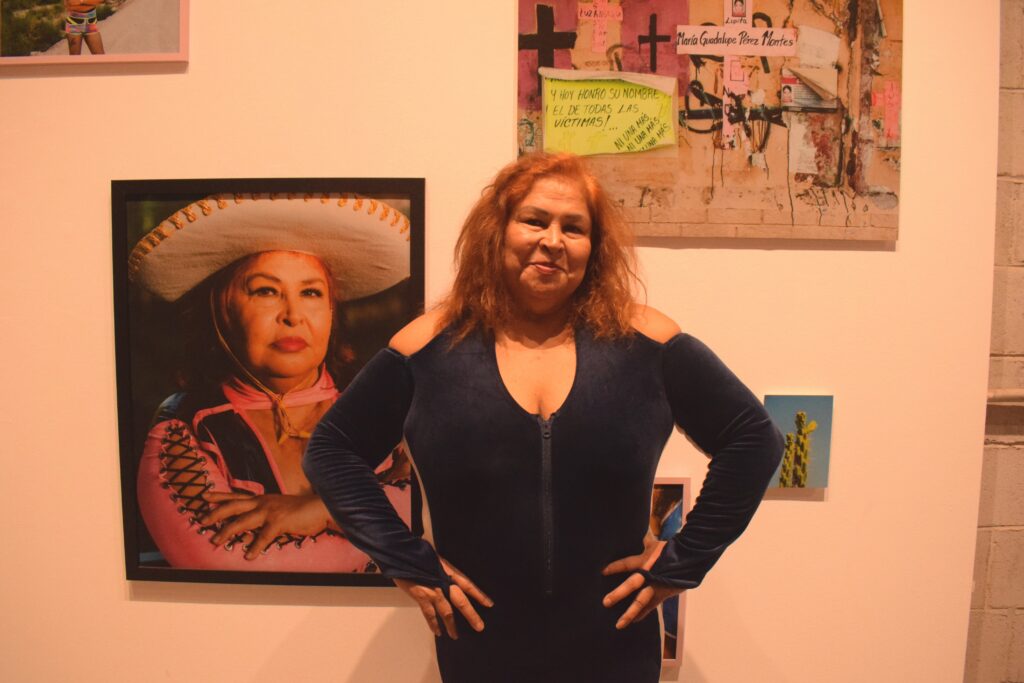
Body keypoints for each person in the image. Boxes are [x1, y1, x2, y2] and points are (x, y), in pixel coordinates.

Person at [304, 153, 784, 681]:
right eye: (534, 220)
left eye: (573, 228)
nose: (553, 240)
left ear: (593, 247)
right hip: (480, 652)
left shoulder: (648, 344)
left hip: (616, 650)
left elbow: (753, 439)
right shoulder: (427, 348)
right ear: (497, 231)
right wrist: (405, 560)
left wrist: (685, 560)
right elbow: (332, 450)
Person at [129, 192, 415, 572]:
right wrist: (381, 523)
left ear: (331, 311)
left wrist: (326, 511)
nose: (293, 315)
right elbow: (228, 563)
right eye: (266, 291)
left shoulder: (394, 409)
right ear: (221, 311)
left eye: (311, 292)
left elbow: (449, 506)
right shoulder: (184, 429)